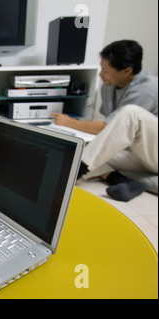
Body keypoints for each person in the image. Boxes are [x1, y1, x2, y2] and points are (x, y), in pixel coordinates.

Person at [52, 40, 158, 201]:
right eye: (101, 69)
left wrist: (68, 122)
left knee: (131, 113)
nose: (101, 74)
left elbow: (110, 128)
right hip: (137, 153)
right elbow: (110, 136)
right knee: (82, 148)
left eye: (106, 71)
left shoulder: (147, 89)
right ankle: (121, 181)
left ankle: (76, 172)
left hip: (153, 151)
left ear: (127, 71)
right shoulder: (109, 86)